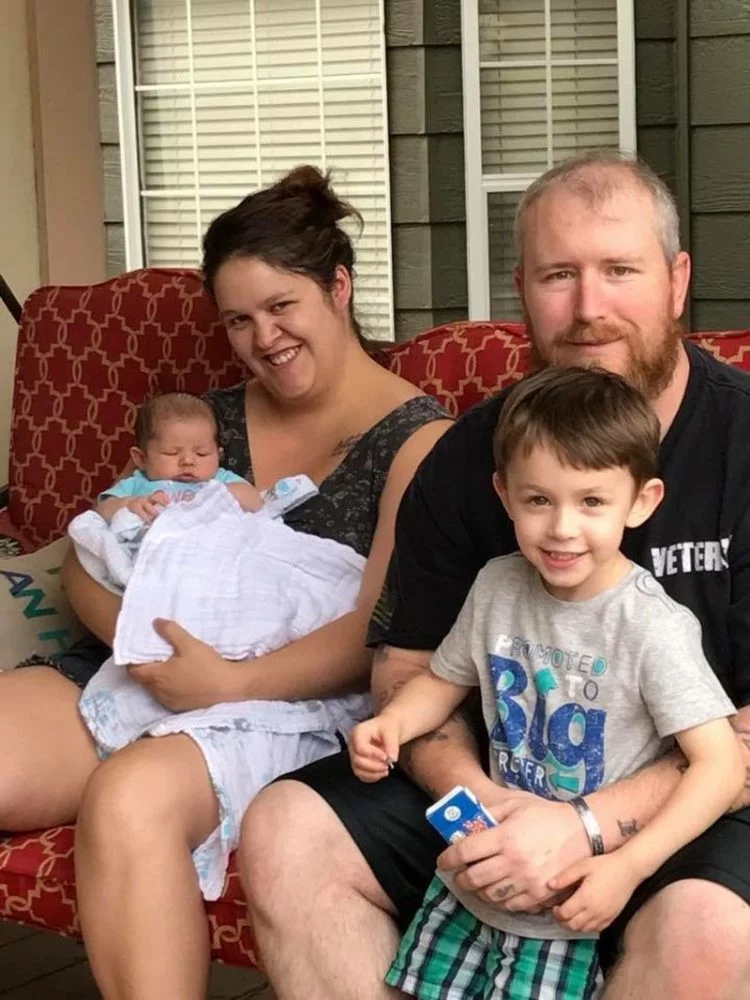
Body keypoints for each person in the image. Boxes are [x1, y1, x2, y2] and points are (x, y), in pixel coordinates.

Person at [240, 149, 750, 1000]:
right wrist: (485, 809)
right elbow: (407, 672)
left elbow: (729, 755)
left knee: (713, 930)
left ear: (677, 281)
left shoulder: (742, 443)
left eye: (619, 270)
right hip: (500, 783)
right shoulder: (467, 460)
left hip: (701, 807)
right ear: (521, 290)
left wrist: (584, 827)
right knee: (285, 829)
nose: (588, 309)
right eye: (558, 275)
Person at [0, 165, 452, 999]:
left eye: (282, 307)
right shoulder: (200, 424)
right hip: (135, 665)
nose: (263, 337)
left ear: (339, 287)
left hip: (292, 700)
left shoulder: (418, 441)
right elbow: (89, 548)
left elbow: (377, 627)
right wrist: (138, 642)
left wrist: (223, 682)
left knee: (130, 799)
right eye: (239, 320)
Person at [349, 366, 743, 999]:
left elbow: (720, 767)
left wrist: (627, 865)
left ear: (641, 501)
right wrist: (393, 723)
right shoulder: (497, 585)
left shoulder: (652, 626)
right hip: (480, 870)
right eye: (539, 500)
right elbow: (445, 680)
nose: (562, 527)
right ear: (504, 494)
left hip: (570, 889)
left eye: (591, 502)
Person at [94, 391, 263, 525]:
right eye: (172, 453)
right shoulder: (138, 483)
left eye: (202, 453)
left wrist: (222, 494)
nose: (188, 461)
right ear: (141, 459)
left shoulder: (220, 479)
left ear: (218, 457)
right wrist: (129, 504)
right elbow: (100, 511)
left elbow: (256, 502)